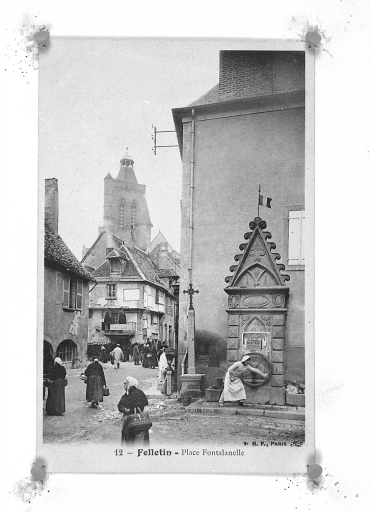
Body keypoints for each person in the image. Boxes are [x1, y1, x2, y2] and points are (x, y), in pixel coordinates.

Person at [117, 377, 149, 445]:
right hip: (140, 420)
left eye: (125, 384)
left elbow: (120, 406)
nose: (124, 385)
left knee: (129, 440)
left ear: (130, 384)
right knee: (140, 440)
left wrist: (126, 410)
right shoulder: (140, 392)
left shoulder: (127, 394)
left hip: (130, 420)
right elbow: (143, 404)